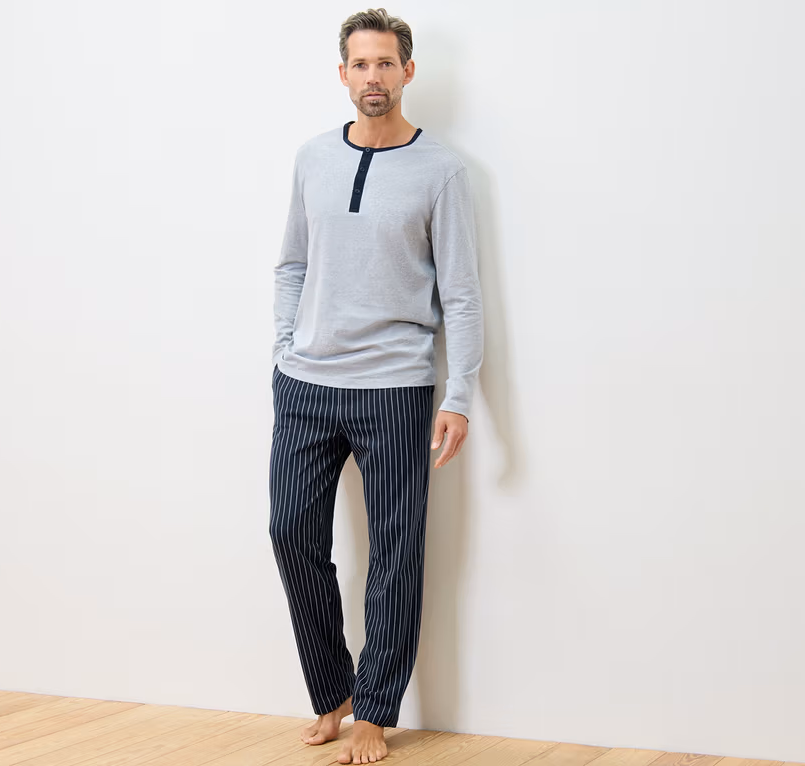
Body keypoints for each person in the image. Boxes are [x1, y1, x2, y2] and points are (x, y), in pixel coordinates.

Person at [269, 7, 483, 764]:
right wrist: (283, 347)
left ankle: (376, 711)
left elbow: (461, 294)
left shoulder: (442, 171)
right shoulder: (312, 158)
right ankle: (333, 691)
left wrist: (458, 395)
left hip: (395, 386)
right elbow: (292, 264)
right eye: (360, 64)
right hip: (305, 383)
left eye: (385, 63)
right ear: (343, 73)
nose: (373, 76)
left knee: (396, 552)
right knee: (290, 532)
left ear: (407, 71)